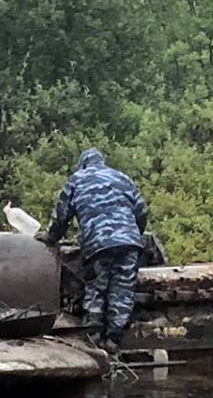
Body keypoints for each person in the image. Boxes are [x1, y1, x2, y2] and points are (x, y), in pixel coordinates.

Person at [37, 148, 148, 354]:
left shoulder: (77, 179)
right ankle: (113, 340)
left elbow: (62, 215)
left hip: (98, 243)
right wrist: (133, 234)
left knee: (97, 288)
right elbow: (141, 211)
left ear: (83, 164)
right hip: (129, 243)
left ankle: (93, 339)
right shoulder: (122, 178)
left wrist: (51, 237)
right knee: (122, 290)